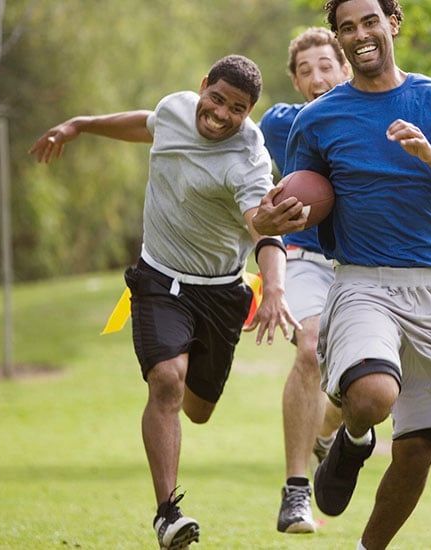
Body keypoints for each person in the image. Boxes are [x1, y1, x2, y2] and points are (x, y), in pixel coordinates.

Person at [252, 1, 431, 548]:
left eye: (370, 21)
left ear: (393, 23)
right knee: (371, 395)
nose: (360, 34)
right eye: (347, 27)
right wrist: (273, 219)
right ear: (338, 37)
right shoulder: (316, 120)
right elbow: (302, 200)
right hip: (364, 280)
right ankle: (355, 435)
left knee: (417, 448)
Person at [28, 54, 299, 550]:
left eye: (236, 109)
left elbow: (262, 227)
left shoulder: (250, 158)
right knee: (166, 380)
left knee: (197, 409)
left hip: (220, 293)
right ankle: (167, 514)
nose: (220, 114)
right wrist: (81, 124)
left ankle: (182, 429)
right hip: (160, 278)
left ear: (249, 112)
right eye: (215, 99)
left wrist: (275, 285)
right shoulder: (176, 109)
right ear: (203, 88)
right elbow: (146, 126)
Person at [259, 26, 350, 535]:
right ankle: (296, 493)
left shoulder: (376, 120)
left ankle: (324, 435)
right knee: (310, 347)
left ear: (344, 68)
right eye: (305, 70)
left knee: (360, 385)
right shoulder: (281, 123)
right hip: (306, 258)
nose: (317, 77)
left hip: (363, 265)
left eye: (325, 66)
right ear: (295, 81)